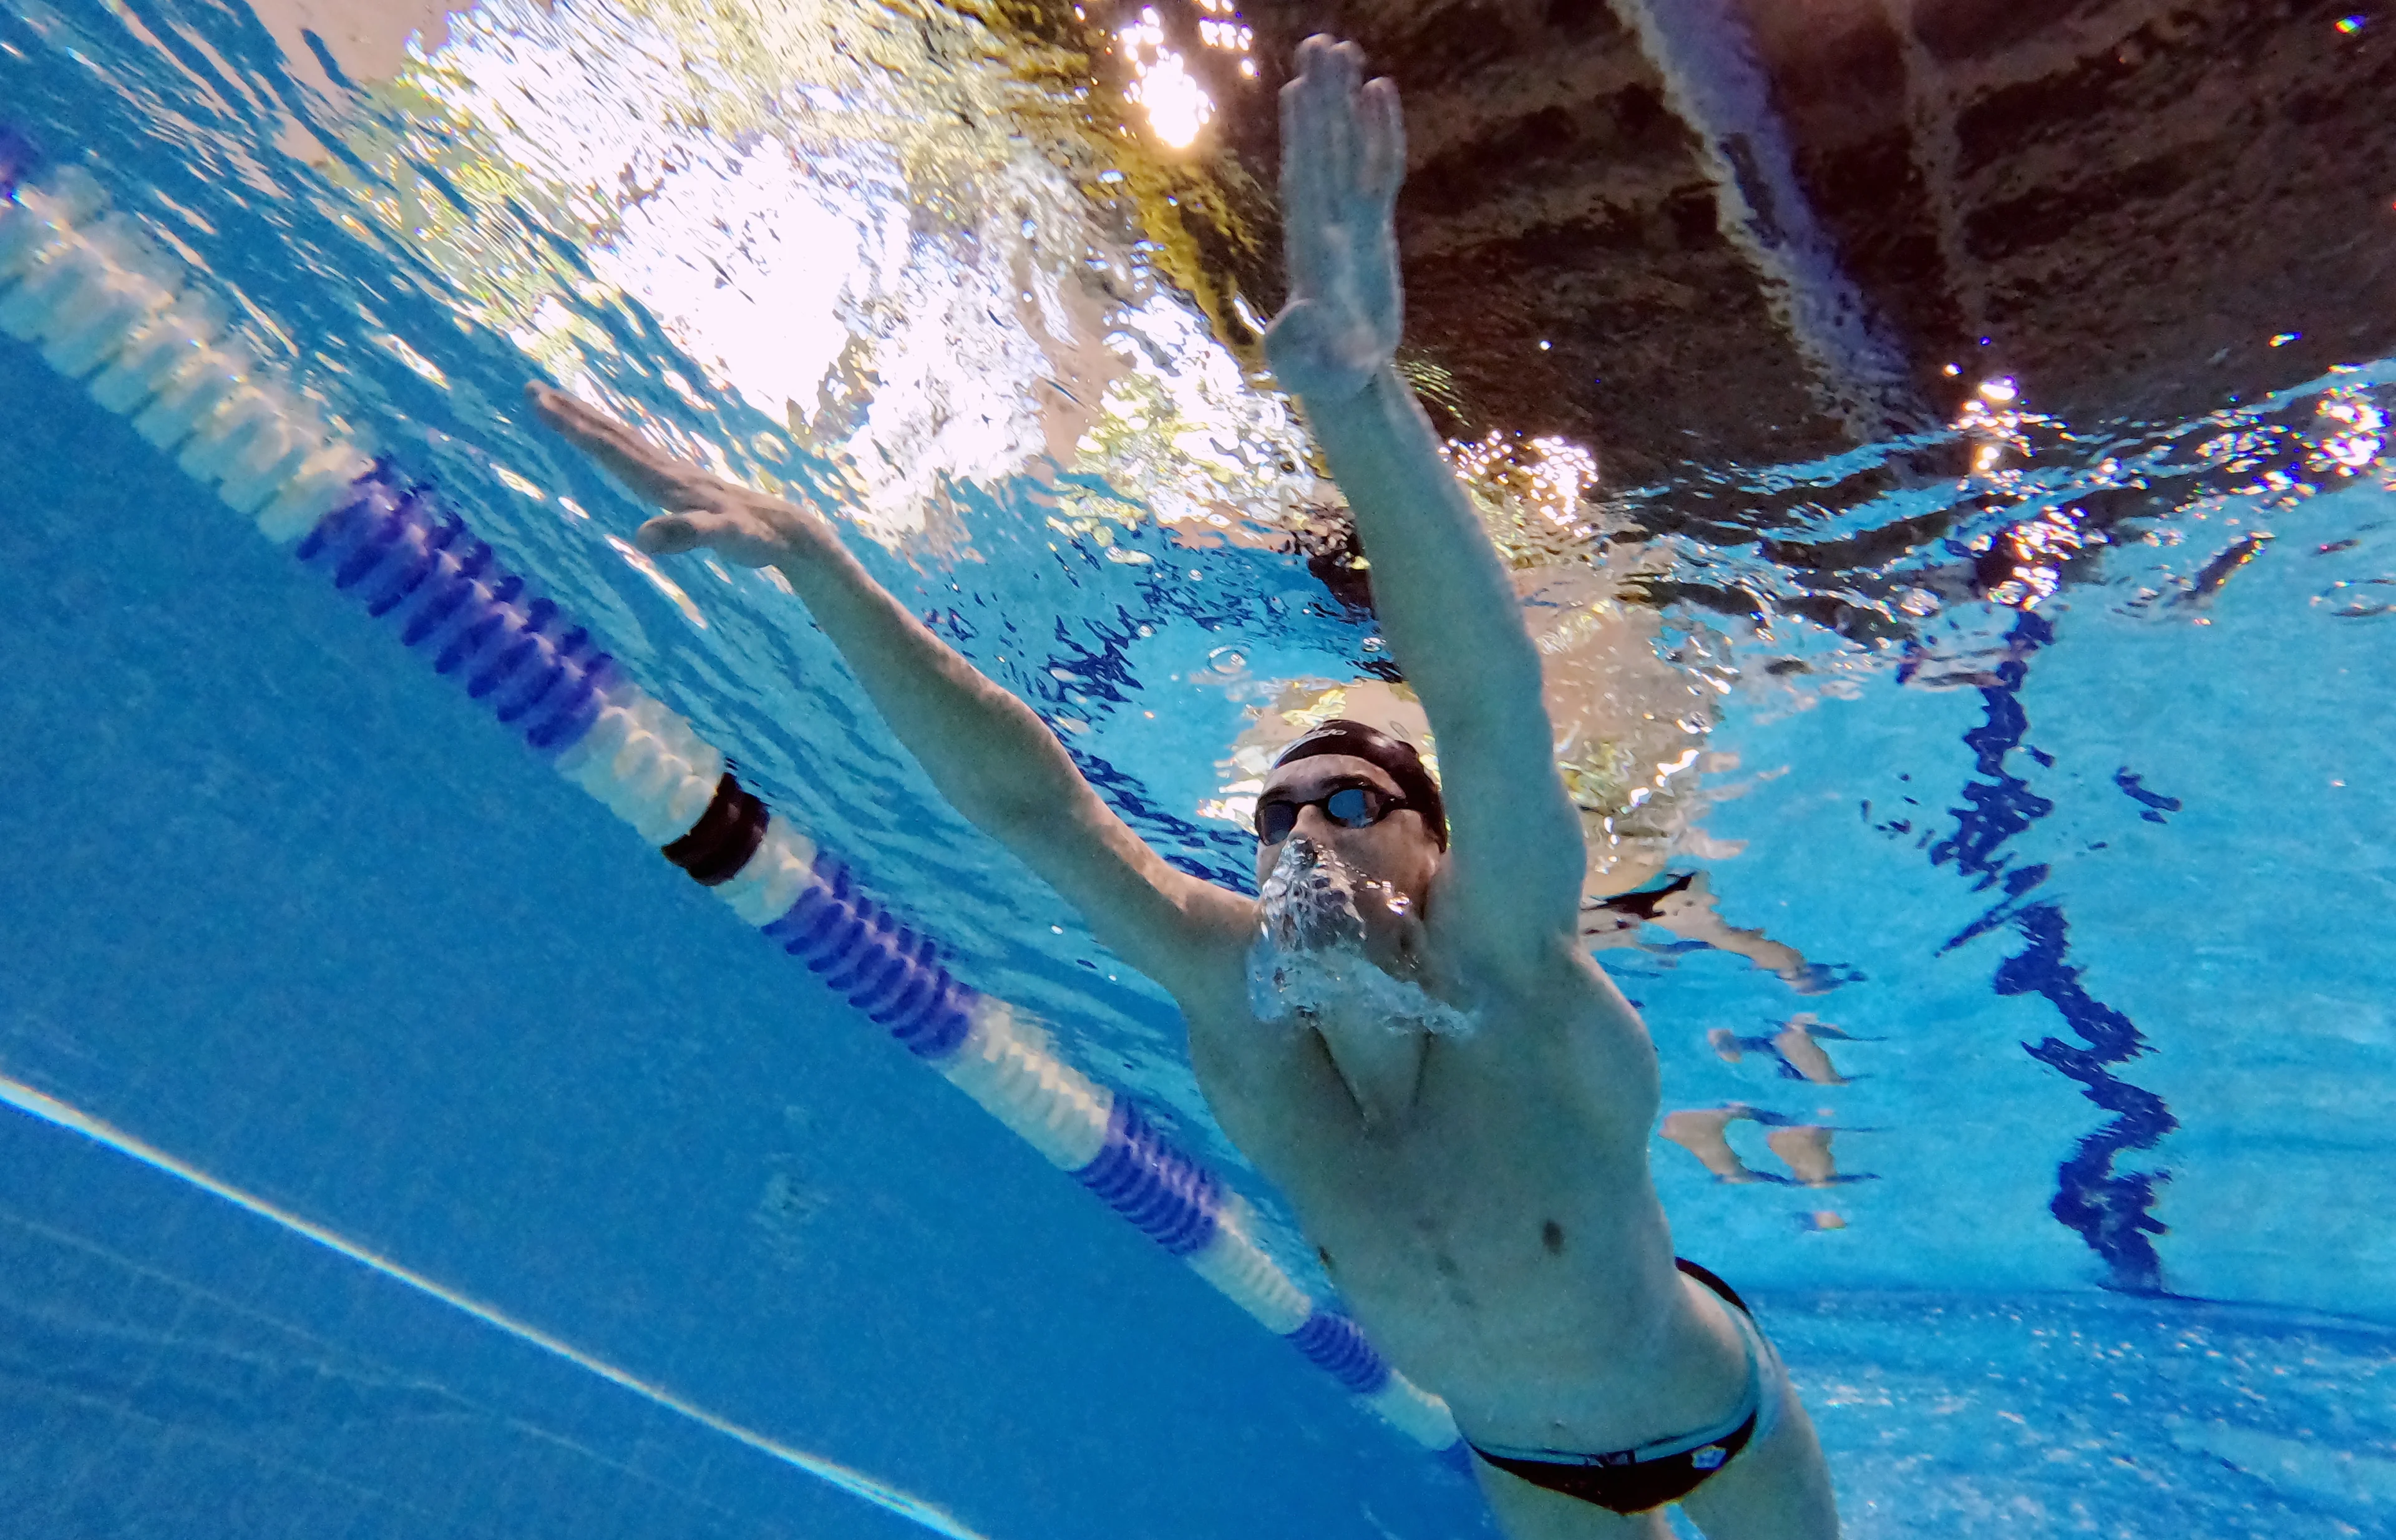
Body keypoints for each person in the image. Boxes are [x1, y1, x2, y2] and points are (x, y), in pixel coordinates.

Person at [530, 34, 1839, 1539]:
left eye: (1352, 803)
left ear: (1435, 844)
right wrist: (824, 568)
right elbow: (1035, 807)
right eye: (1280, 815)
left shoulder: (1508, 959)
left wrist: (1358, 401)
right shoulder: (1237, 996)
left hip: (1706, 1411)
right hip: (1523, 1466)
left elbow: (1484, 694)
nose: (1306, 836)